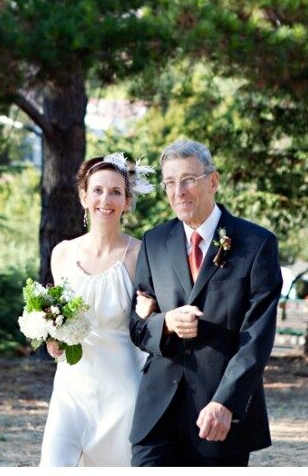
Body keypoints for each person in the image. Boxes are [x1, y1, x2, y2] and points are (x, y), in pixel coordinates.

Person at [129, 139, 282, 466]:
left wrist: (226, 403)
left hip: (219, 416)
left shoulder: (256, 244)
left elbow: (257, 337)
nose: (178, 191)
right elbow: (138, 326)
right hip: (157, 413)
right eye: (170, 182)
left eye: (188, 180)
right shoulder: (154, 242)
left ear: (213, 181)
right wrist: (165, 323)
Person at [39, 153, 155, 467]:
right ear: (84, 196)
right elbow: (58, 318)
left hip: (122, 389)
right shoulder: (62, 254)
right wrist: (52, 339)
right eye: (98, 190)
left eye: (116, 192)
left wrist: (149, 312)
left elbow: (150, 322)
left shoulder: (140, 255)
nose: (106, 199)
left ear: (127, 201)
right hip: (71, 387)